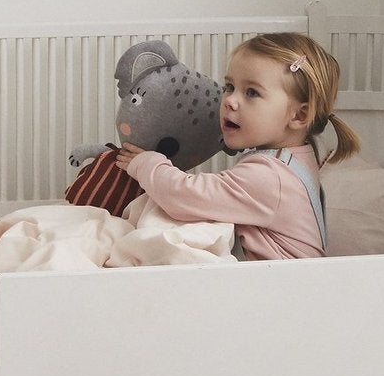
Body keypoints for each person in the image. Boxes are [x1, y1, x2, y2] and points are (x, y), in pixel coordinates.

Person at [115, 32, 359, 260]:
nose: (230, 100)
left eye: (252, 92)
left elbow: (182, 196)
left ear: (299, 116)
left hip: (280, 287)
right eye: (229, 87)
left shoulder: (270, 176)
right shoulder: (297, 158)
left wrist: (147, 163)